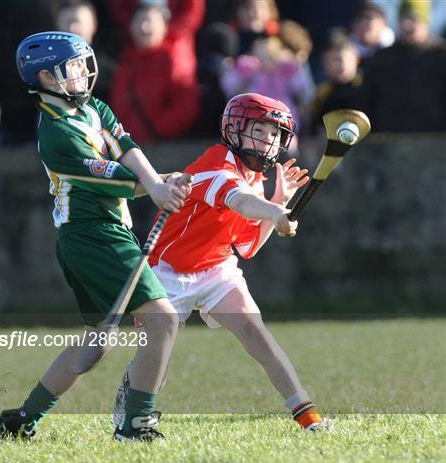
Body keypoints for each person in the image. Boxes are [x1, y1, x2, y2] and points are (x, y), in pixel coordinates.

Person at [0, 31, 196, 442]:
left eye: (85, 62)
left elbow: (126, 147)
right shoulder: (57, 133)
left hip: (102, 233)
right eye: (74, 67)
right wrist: (154, 187)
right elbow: (114, 180)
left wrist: (157, 181)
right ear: (48, 78)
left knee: (97, 343)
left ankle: (21, 419)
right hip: (92, 235)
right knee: (162, 320)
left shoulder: (93, 107)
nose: (85, 71)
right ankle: (136, 424)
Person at [113, 93, 330, 432]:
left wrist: (275, 202)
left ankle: (307, 416)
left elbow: (249, 246)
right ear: (235, 128)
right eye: (260, 131)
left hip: (217, 269)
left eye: (275, 134)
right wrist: (275, 211)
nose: (269, 141)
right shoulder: (216, 166)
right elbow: (240, 201)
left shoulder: (256, 179)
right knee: (159, 351)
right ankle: (136, 409)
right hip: (166, 271)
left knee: (255, 332)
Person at [108, 0, 204, 143]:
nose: (144, 27)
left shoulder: (173, 60)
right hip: (126, 149)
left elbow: (185, 106)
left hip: (160, 149)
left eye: (150, 21)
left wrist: (154, 131)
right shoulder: (126, 61)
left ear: (165, 26)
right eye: (139, 21)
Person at [360, 0, 446, 132]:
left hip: (434, 142)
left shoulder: (441, 56)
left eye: (413, 19)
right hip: (391, 142)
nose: (407, 25)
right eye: (403, 19)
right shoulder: (382, 58)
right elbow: (367, 101)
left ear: (426, 22)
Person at [310, 29, 362, 133]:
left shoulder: (365, 88)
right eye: (329, 61)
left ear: (356, 58)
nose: (335, 65)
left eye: (339, 59)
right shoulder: (322, 93)